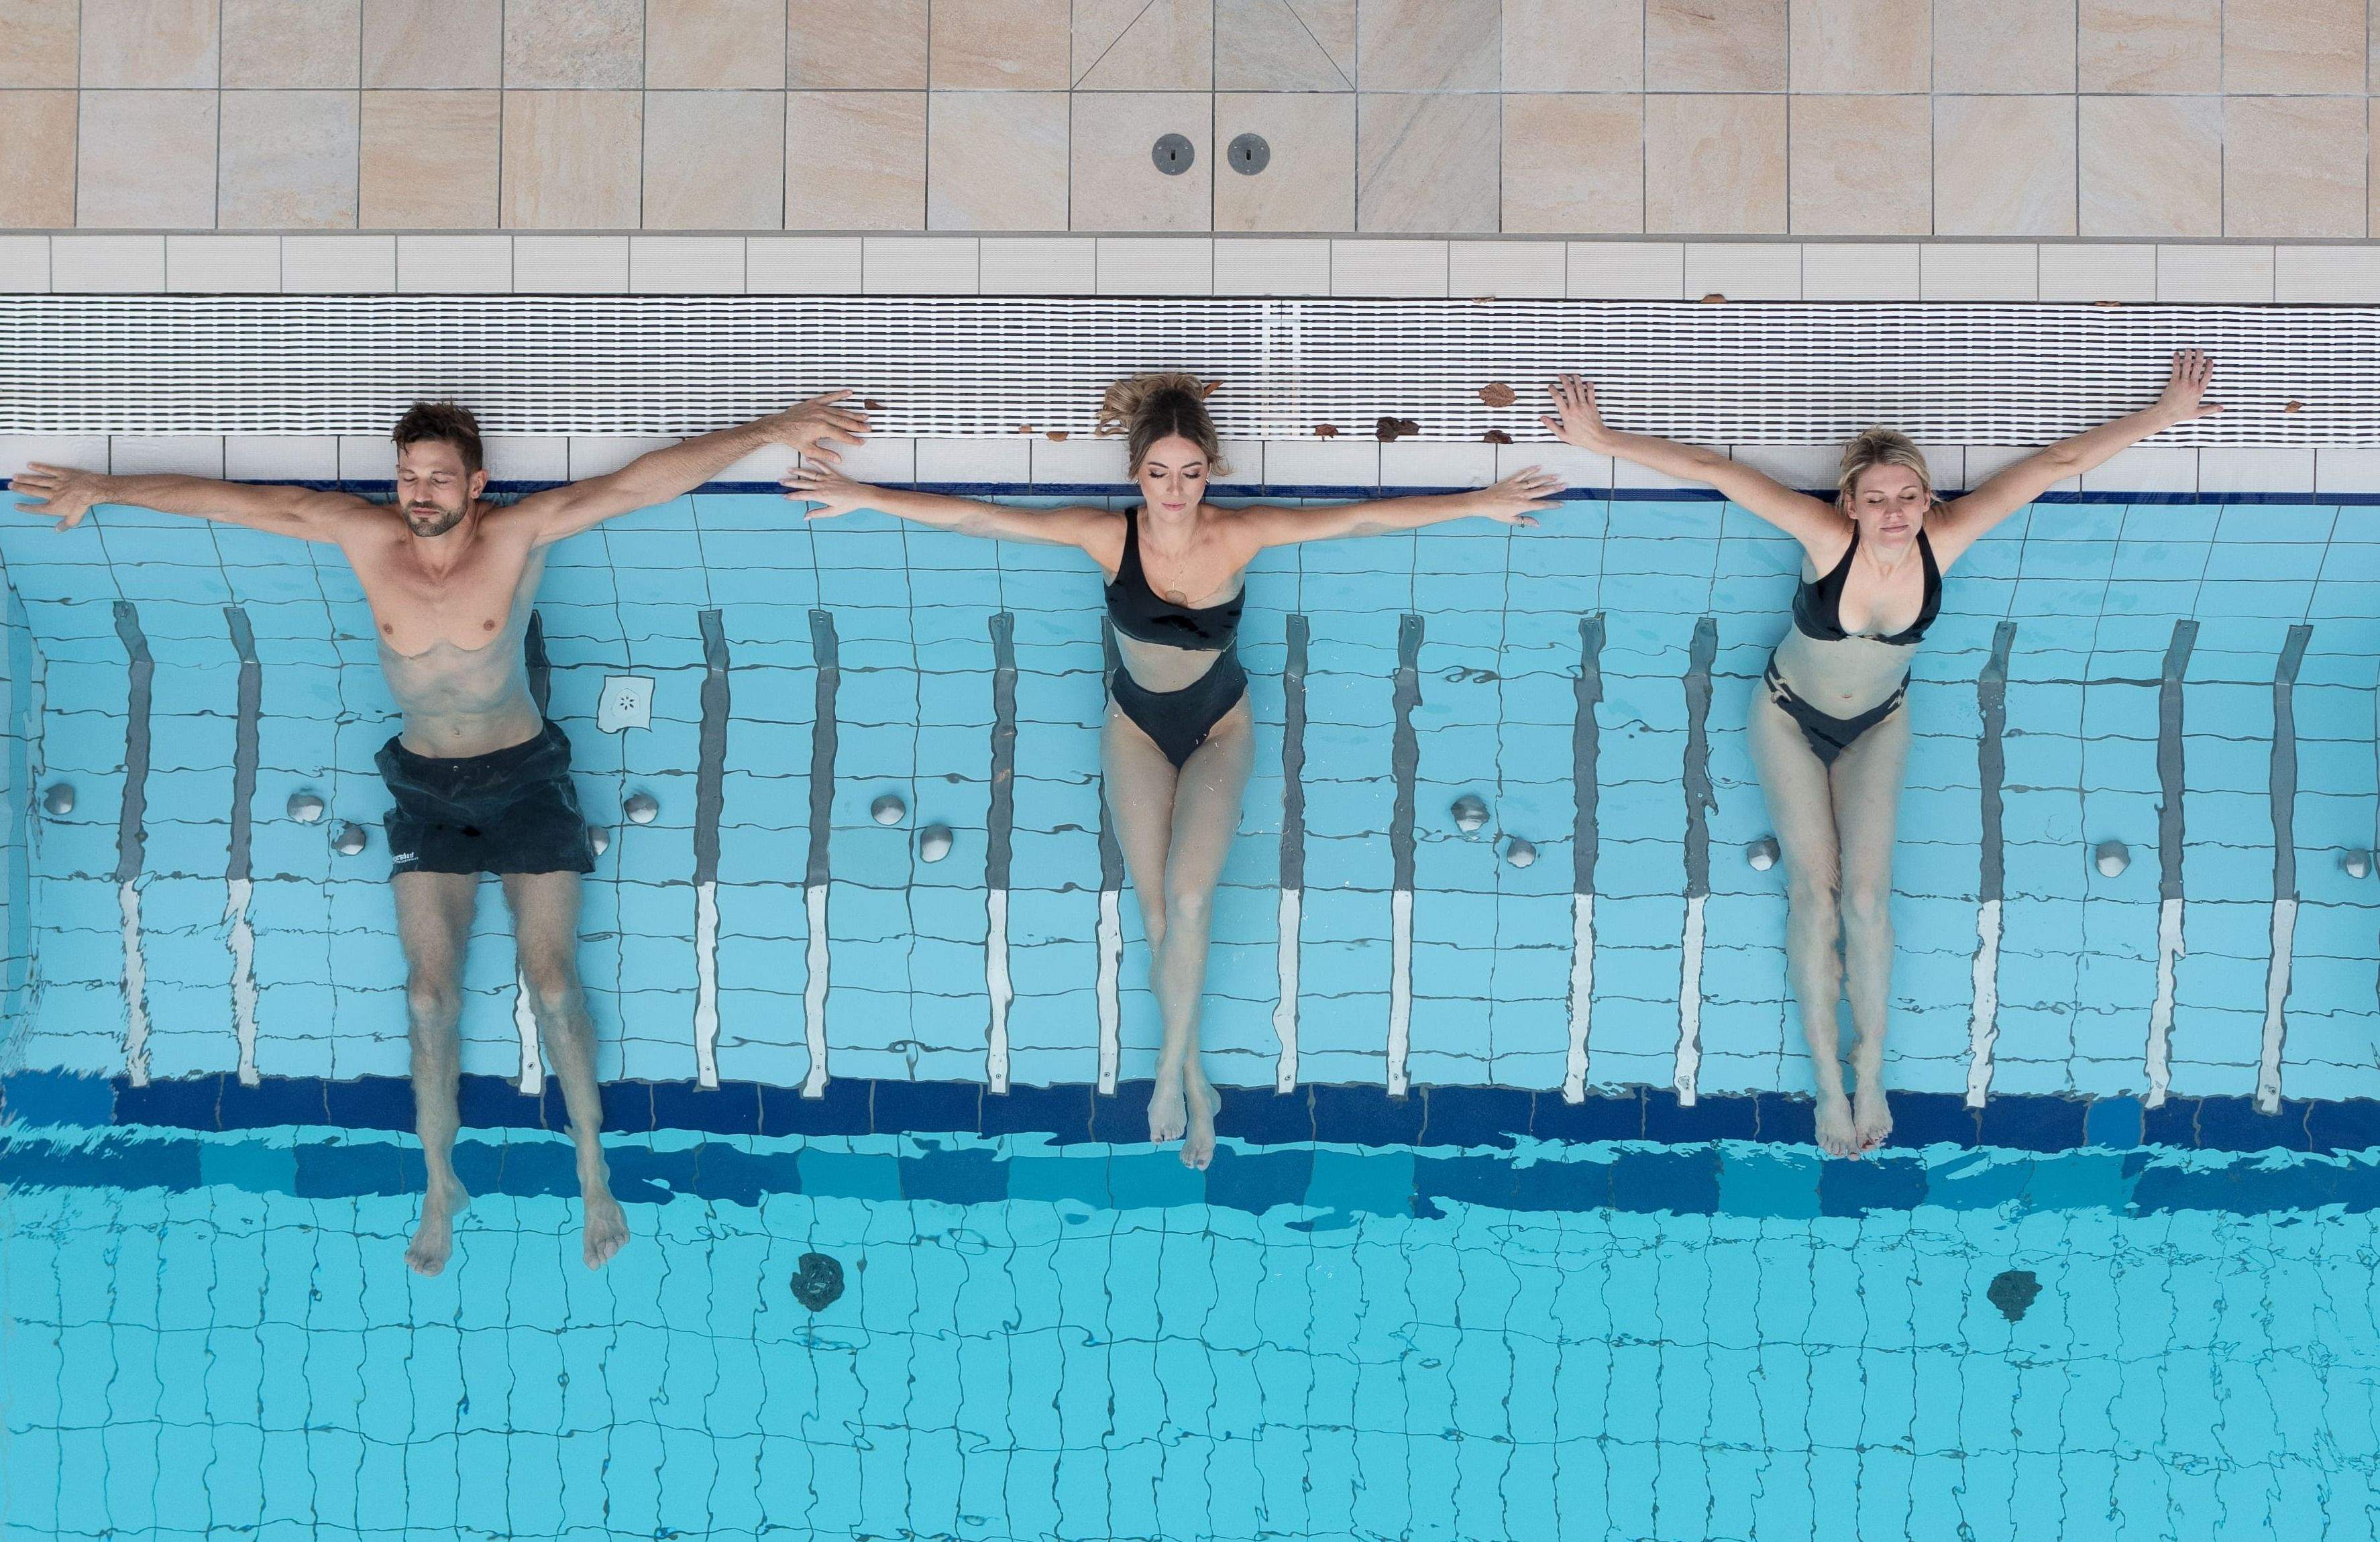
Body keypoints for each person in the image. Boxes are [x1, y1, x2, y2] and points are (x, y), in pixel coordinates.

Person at [13, 392, 869, 1271]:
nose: (420, 492)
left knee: (555, 984)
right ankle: (437, 1180)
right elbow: (241, 503)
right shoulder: (364, 537)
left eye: (438, 477)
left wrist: (770, 432)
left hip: (528, 782)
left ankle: (591, 1166)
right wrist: (102, 485)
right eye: (409, 476)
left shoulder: (516, 536)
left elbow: (640, 487)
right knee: (428, 995)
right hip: (425, 789)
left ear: (476, 482)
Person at [786, 374, 1562, 1168]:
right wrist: (863, 495)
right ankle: (1197, 1081)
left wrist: (1478, 501)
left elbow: (1360, 519)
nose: (1174, 490)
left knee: (1190, 898)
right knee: (1157, 912)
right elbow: (981, 517)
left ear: (1208, 471)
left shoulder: (1237, 536)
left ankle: (1167, 1074)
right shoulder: (1106, 537)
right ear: (1136, 474)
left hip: (1220, 725)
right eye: (1159, 473)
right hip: (1133, 728)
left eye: (1190, 473)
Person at [1543, 351, 2219, 1158]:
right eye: (1876, 499)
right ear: (1850, 504)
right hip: (1787, 718)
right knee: (1813, 896)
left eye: (1906, 496)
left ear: (1925, 499)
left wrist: (2165, 413)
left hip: (1879, 722)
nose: (1893, 511)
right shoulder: (1825, 538)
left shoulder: (1946, 538)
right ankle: (1828, 1086)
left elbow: (2056, 464)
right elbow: (1712, 470)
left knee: (1866, 901)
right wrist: (1599, 436)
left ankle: (1871, 1072)